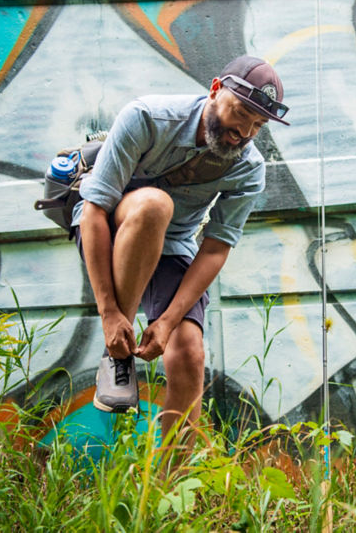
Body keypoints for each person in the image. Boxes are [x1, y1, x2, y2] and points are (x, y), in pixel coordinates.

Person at [71, 56, 289, 442]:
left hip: (173, 243)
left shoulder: (249, 168)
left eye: (258, 124)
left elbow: (216, 247)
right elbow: (93, 212)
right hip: (113, 225)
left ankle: (173, 484)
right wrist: (109, 313)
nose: (244, 132)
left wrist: (169, 320)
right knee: (155, 205)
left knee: (189, 351)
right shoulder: (147, 117)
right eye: (240, 113)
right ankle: (117, 358)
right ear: (216, 89)